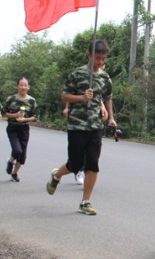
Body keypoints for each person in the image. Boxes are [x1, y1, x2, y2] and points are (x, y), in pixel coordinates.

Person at [45, 40, 117, 215]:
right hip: (77, 124)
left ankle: (85, 201)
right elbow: (64, 96)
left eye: (103, 58)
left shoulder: (105, 77)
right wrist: (81, 98)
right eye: (97, 58)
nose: (100, 62)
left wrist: (111, 118)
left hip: (95, 125)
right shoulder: (77, 74)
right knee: (75, 164)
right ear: (89, 55)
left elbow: (107, 97)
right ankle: (57, 176)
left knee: (93, 163)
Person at [3, 77, 38, 182]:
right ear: (17, 86)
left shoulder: (32, 101)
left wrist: (24, 119)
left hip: (24, 128)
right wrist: (15, 115)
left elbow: (35, 117)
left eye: (25, 85)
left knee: (22, 156)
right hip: (13, 127)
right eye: (21, 85)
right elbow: (5, 113)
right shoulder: (11, 99)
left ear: (28, 87)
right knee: (17, 150)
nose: (23, 87)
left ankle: (14, 173)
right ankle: (10, 161)